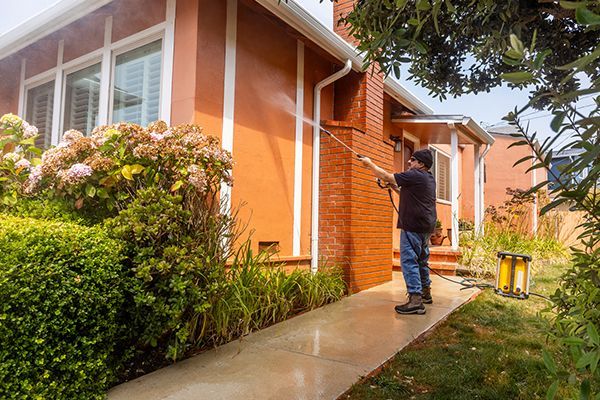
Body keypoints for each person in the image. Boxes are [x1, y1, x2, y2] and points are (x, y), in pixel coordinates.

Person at [360, 149, 437, 315]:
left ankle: (415, 300)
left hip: (413, 225)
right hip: (425, 227)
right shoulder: (427, 178)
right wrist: (394, 187)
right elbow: (408, 195)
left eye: (413, 160)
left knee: (409, 261)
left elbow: (387, 176)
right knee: (422, 261)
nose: (409, 162)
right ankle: (425, 293)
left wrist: (369, 164)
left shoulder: (415, 175)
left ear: (421, 164)